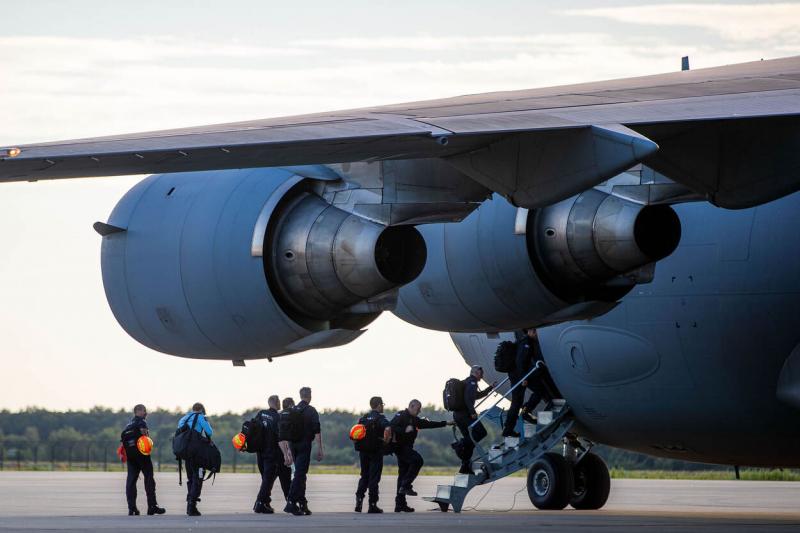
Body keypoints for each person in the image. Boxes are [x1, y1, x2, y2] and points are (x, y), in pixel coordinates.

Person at [390, 399, 453, 512]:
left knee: (403, 474)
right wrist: (405, 430)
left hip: (407, 448)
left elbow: (428, 424)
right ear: (411, 406)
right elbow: (391, 427)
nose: (419, 411)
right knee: (418, 460)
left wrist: (446, 423)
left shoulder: (414, 419)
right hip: (400, 448)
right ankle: (406, 485)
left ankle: (400, 504)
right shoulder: (401, 415)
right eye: (418, 409)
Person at [283, 387, 323, 516]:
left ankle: (302, 503)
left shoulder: (292, 410)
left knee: (300, 474)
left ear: (300, 396)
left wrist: (287, 450)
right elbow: (317, 430)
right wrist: (320, 448)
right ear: (310, 396)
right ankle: (291, 501)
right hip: (304, 445)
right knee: (300, 474)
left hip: (292, 444)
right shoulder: (311, 411)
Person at [503, 327, 549, 437]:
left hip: (519, 375)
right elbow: (520, 362)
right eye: (535, 331)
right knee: (517, 402)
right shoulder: (526, 343)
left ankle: (511, 426)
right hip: (519, 376)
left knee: (519, 401)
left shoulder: (526, 341)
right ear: (530, 332)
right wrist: (524, 378)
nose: (536, 333)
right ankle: (524, 413)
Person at [120, 404, 165, 516]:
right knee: (149, 478)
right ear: (139, 411)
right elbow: (145, 436)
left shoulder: (128, 425)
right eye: (144, 411)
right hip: (142, 455)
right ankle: (152, 506)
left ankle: (132, 508)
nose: (145, 413)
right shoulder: (141, 422)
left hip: (131, 456)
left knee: (131, 481)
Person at [452, 365, 495, 474]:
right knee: (481, 432)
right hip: (465, 415)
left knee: (470, 442)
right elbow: (468, 399)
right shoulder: (472, 382)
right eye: (481, 373)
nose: (482, 375)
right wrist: (472, 412)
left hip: (457, 415)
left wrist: (490, 388)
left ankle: (465, 467)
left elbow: (476, 395)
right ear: (475, 373)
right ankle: (459, 444)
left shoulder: (467, 382)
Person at [253, 395, 292, 514]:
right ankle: (260, 503)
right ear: (278, 403)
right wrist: (287, 453)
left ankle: (265, 502)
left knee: (267, 479)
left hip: (260, 453)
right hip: (273, 454)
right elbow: (281, 438)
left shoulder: (260, 414)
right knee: (271, 479)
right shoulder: (277, 417)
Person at [354, 396, 391, 514]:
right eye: (382, 405)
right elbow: (388, 428)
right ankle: (372, 505)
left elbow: (356, 433)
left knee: (364, 475)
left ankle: (359, 501)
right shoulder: (380, 417)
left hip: (363, 451)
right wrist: (386, 440)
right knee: (374, 478)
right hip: (375, 451)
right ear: (379, 405)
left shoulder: (363, 418)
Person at [177, 402, 213, 516]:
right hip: (197, 453)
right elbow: (209, 432)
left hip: (186, 453)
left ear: (192, 409)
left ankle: (190, 503)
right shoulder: (201, 417)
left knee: (190, 478)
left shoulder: (184, 418)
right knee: (198, 478)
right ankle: (192, 505)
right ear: (202, 409)